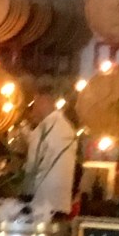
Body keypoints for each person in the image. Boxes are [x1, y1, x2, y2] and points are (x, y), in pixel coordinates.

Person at [23, 86, 78, 216]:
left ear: (42, 101)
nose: (33, 110)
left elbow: (32, 165)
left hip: (43, 202)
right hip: (62, 201)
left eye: (35, 103)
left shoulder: (45, 128)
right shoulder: (67, 126)